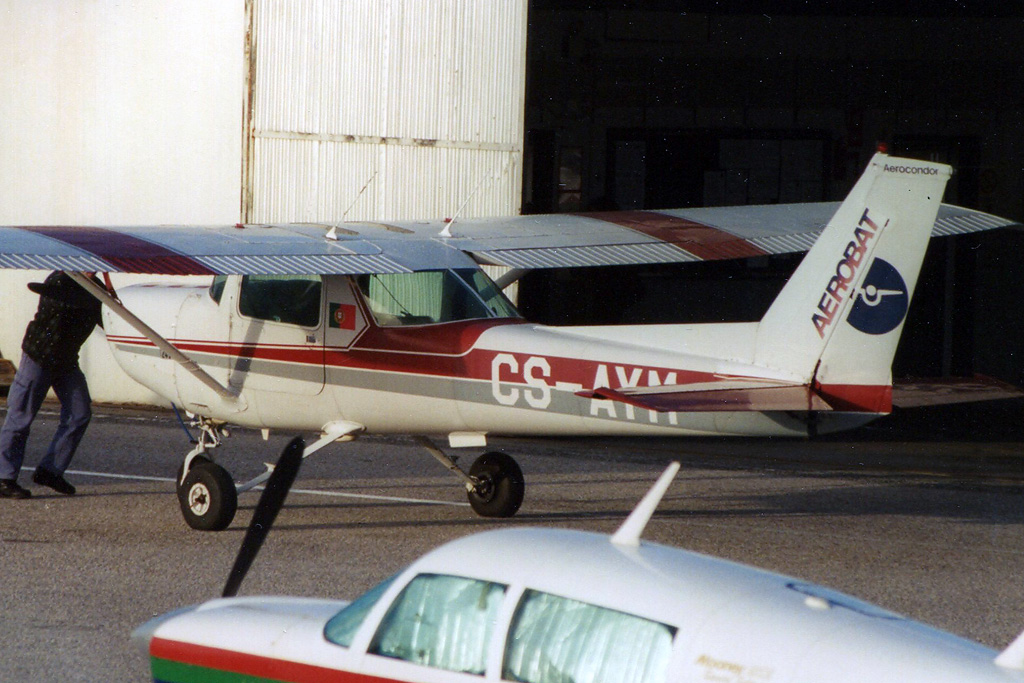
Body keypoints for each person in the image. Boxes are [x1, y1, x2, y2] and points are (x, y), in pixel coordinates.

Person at [0, 271, 103, 499]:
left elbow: (109, 321)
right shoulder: (60, 280)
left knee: (80, 413)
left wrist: (111, 303)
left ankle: (50, 471)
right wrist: (99, 298)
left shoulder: (95, 288)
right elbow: (62, 307)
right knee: (21, 416)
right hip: (40, 356)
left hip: (66, 360)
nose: (91, 270)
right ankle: (4, 477)